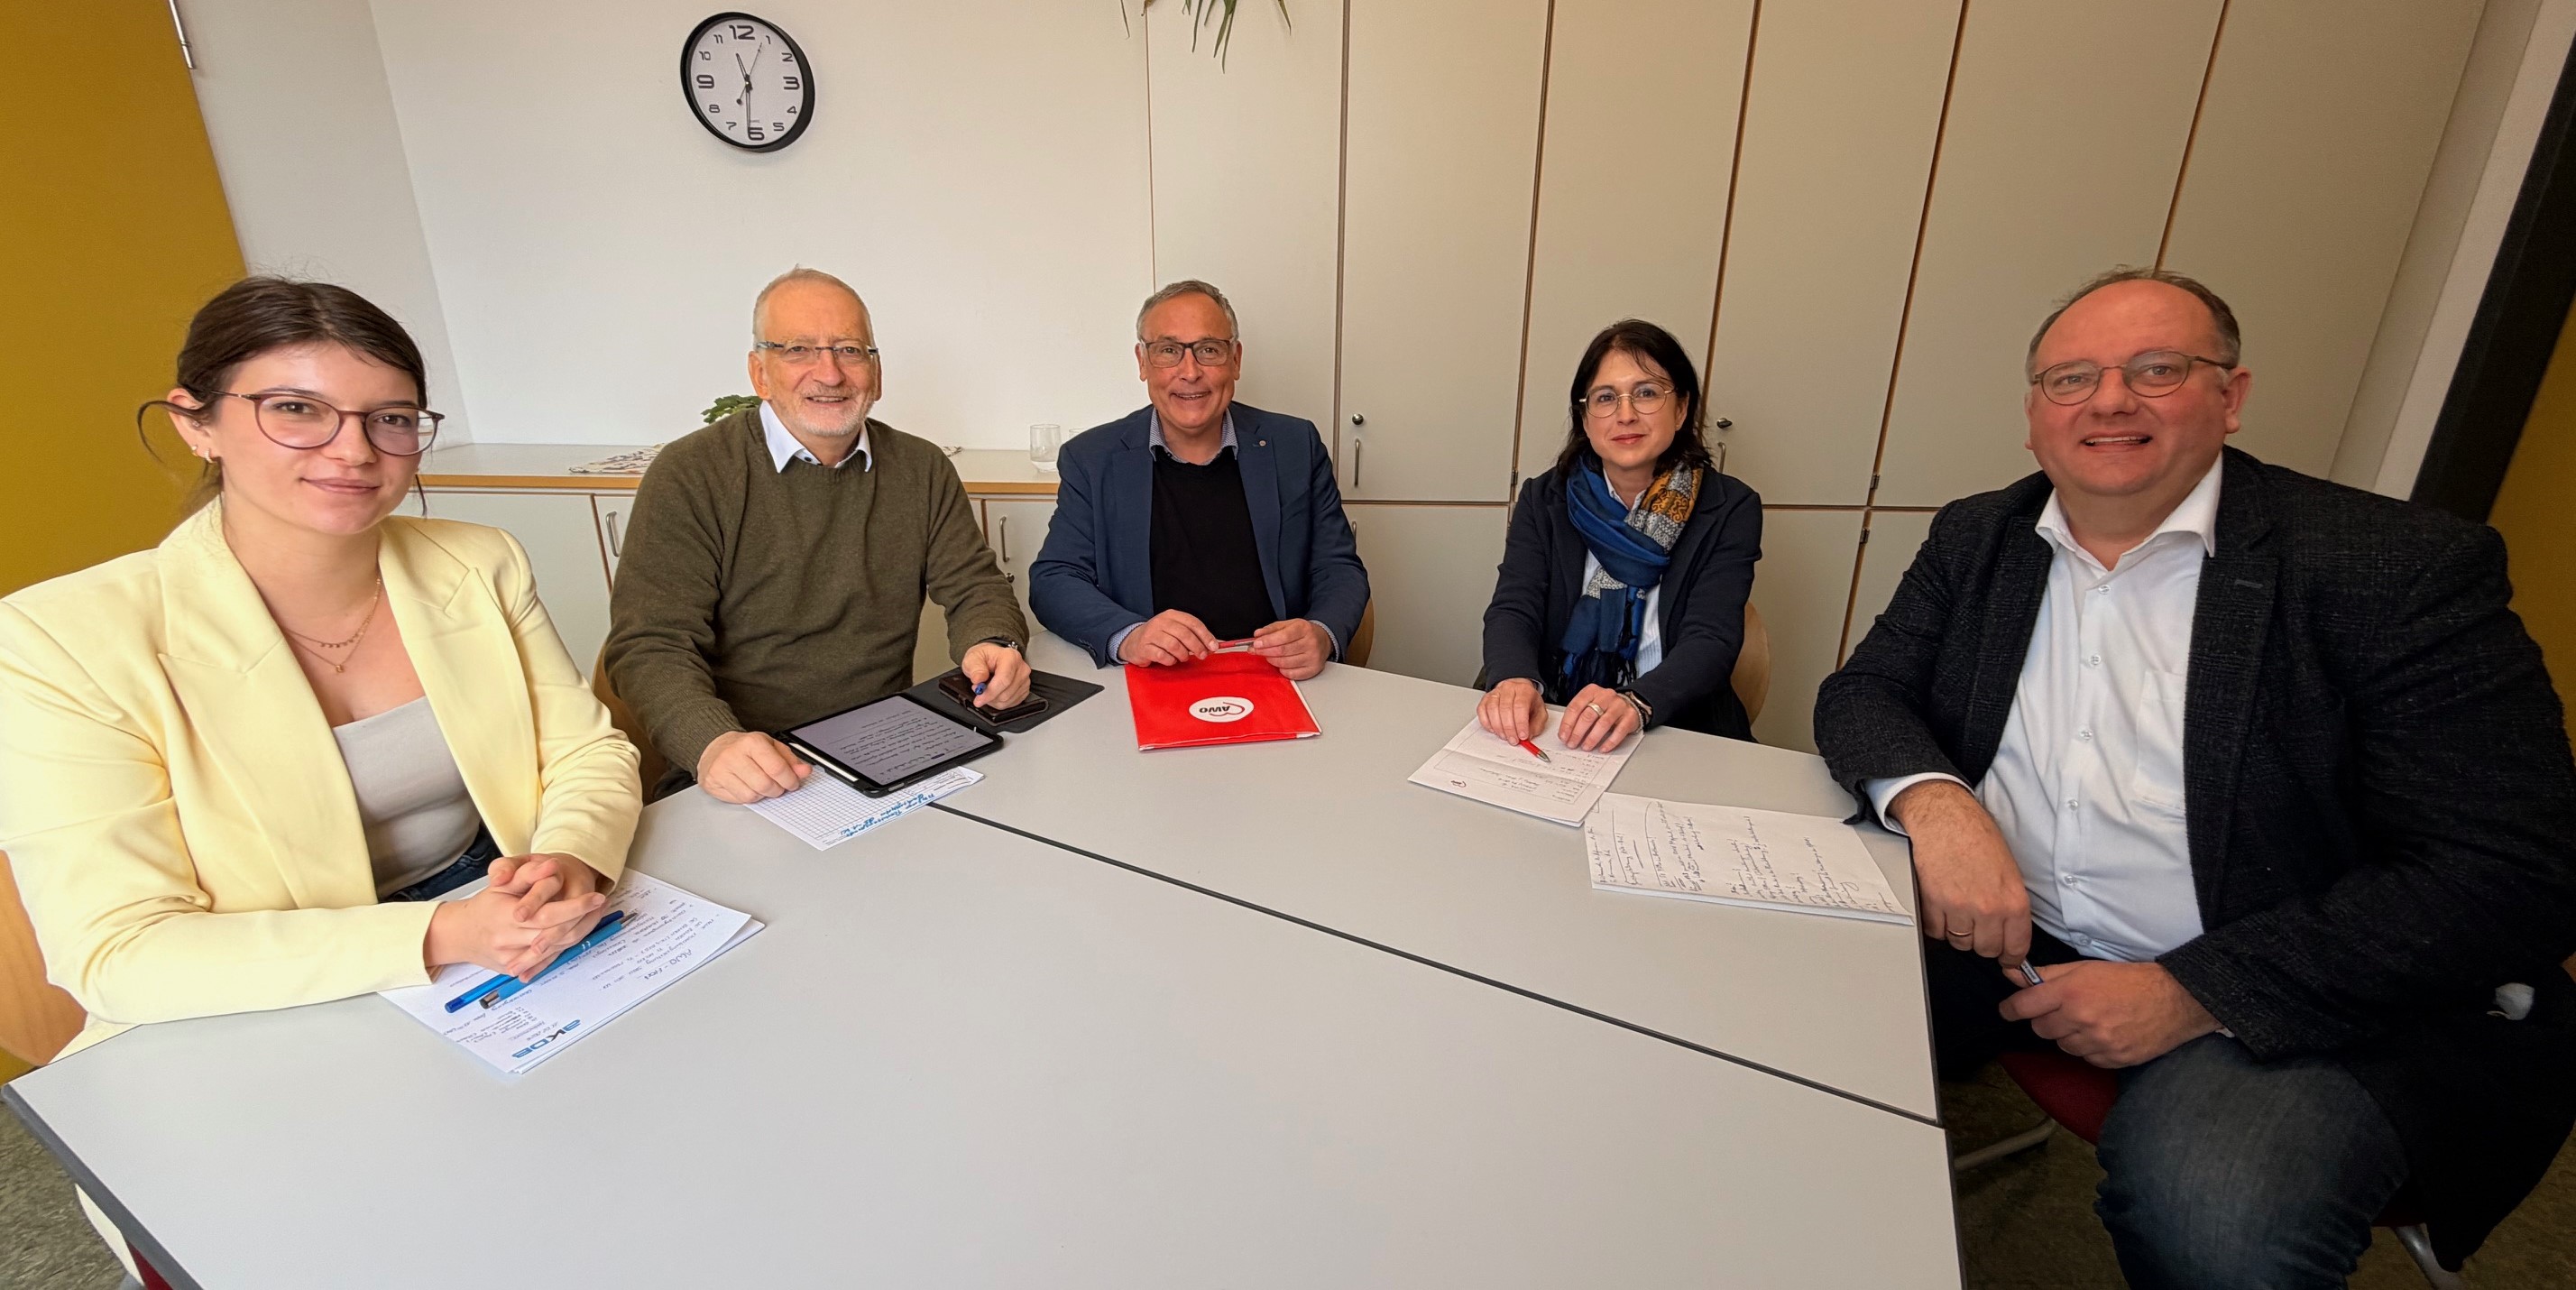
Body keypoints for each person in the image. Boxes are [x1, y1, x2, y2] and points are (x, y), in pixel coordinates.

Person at [1814, 267, 2576, 1285]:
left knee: (2214, 1212)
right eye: (2071, 378)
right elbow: (1865, 691)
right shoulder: (1981, 534)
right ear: (2035, 416)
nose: (2109, 401)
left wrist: (2195, 990)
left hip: (2287, 982)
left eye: (2156, 369)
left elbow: (2514, 869)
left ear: (2231, 395)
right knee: (1754, 1001)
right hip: (2009, 935)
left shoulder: (2389, 566)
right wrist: (1938, 804)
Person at [0, 278, 641, 1277]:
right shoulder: (60, 639)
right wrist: (443, 933)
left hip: (498, 927)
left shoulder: (477, 561)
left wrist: (566, 854)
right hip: (264, 997)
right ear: (196, 422)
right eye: (297, 409)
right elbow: (119, 952)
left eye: (391, 418)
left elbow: (586, 751)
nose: (354, 450)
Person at [604, 268, 1030, 802]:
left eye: (849, 350)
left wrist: (993, 642)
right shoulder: (691, 473)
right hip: (751, 765)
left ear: (876, 374)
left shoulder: (922, 468)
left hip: (883, 748)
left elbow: (975, 586)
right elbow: (650, 644)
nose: (829, 374)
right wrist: (711, 743)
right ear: (759, 373)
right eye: (798, 350)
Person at [1029, 280, 1367, 678]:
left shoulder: (1295, 445)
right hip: (1150, 675)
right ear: (1142, 362)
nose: (1189, 372)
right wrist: (1130, 636)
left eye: (1208, 350)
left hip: (1275, 674)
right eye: (1168, 350)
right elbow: (1054, 579)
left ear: (1235, 360)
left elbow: (1338, 567)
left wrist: (1322, 633)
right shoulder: (1092, 458)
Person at [1478, 319, 1762, 751]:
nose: (1625, 414)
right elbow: (1515, 606)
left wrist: (1637, 702)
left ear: (1681, 409)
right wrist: (1515, 679)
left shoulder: (1729, 507)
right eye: (1606, 398)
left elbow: (1711, 638)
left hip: (1672, 721)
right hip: (1556, 716)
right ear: (1585, 418)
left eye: (1646, 393)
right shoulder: (1545, 498)